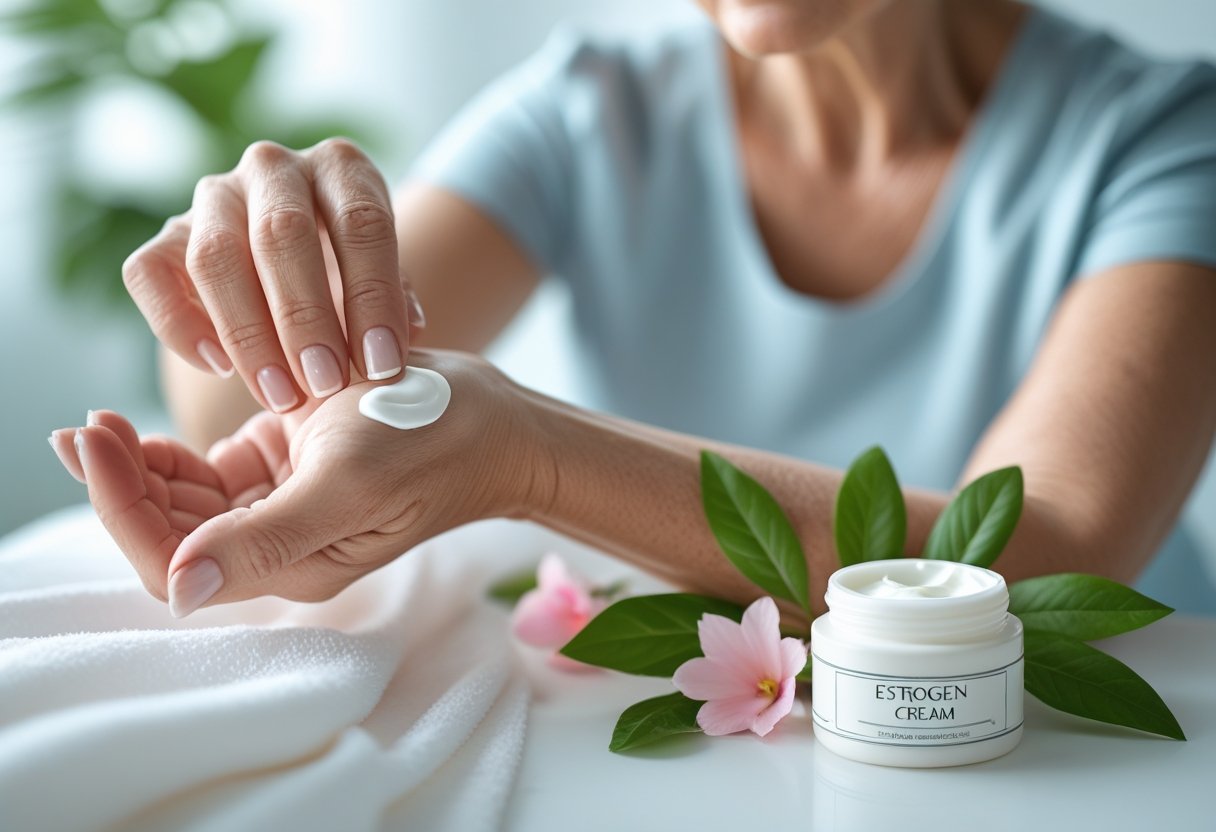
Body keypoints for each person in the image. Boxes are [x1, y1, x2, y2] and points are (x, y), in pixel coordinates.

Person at [49, 0, 1216, 619]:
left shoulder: (1166, 137)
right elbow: (230, 415)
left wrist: (529, 454)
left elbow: (1035, 557)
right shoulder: (583, 111)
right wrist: (256, 268)